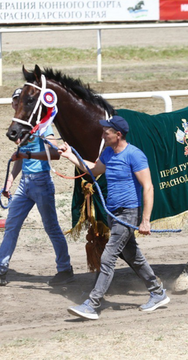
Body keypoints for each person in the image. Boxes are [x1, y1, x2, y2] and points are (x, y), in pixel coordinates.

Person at [58, 115, 169, 320]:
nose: (102, 135)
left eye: (106, 132)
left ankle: (92, 304)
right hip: (113, 212)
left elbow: (148, 187)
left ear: (118, 135)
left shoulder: (135, 155)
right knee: (132, 255)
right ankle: (157, 292)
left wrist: (145, 220)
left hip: (128, 213)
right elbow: (93, 170)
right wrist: (70, 155)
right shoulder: (108, 153)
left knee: (108, 258)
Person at [0, 88, 75, 287]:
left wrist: (26, 156)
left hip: (41, 183)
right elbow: (20, 158)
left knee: (51, 228)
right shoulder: (24, 128)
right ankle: (0, 269)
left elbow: (54, 154)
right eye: (15, 101)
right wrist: (9, 182)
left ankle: (65, 269)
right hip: (25, 185)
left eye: (18, 101)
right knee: (11, 226)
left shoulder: (44, 127)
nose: (16, 105)